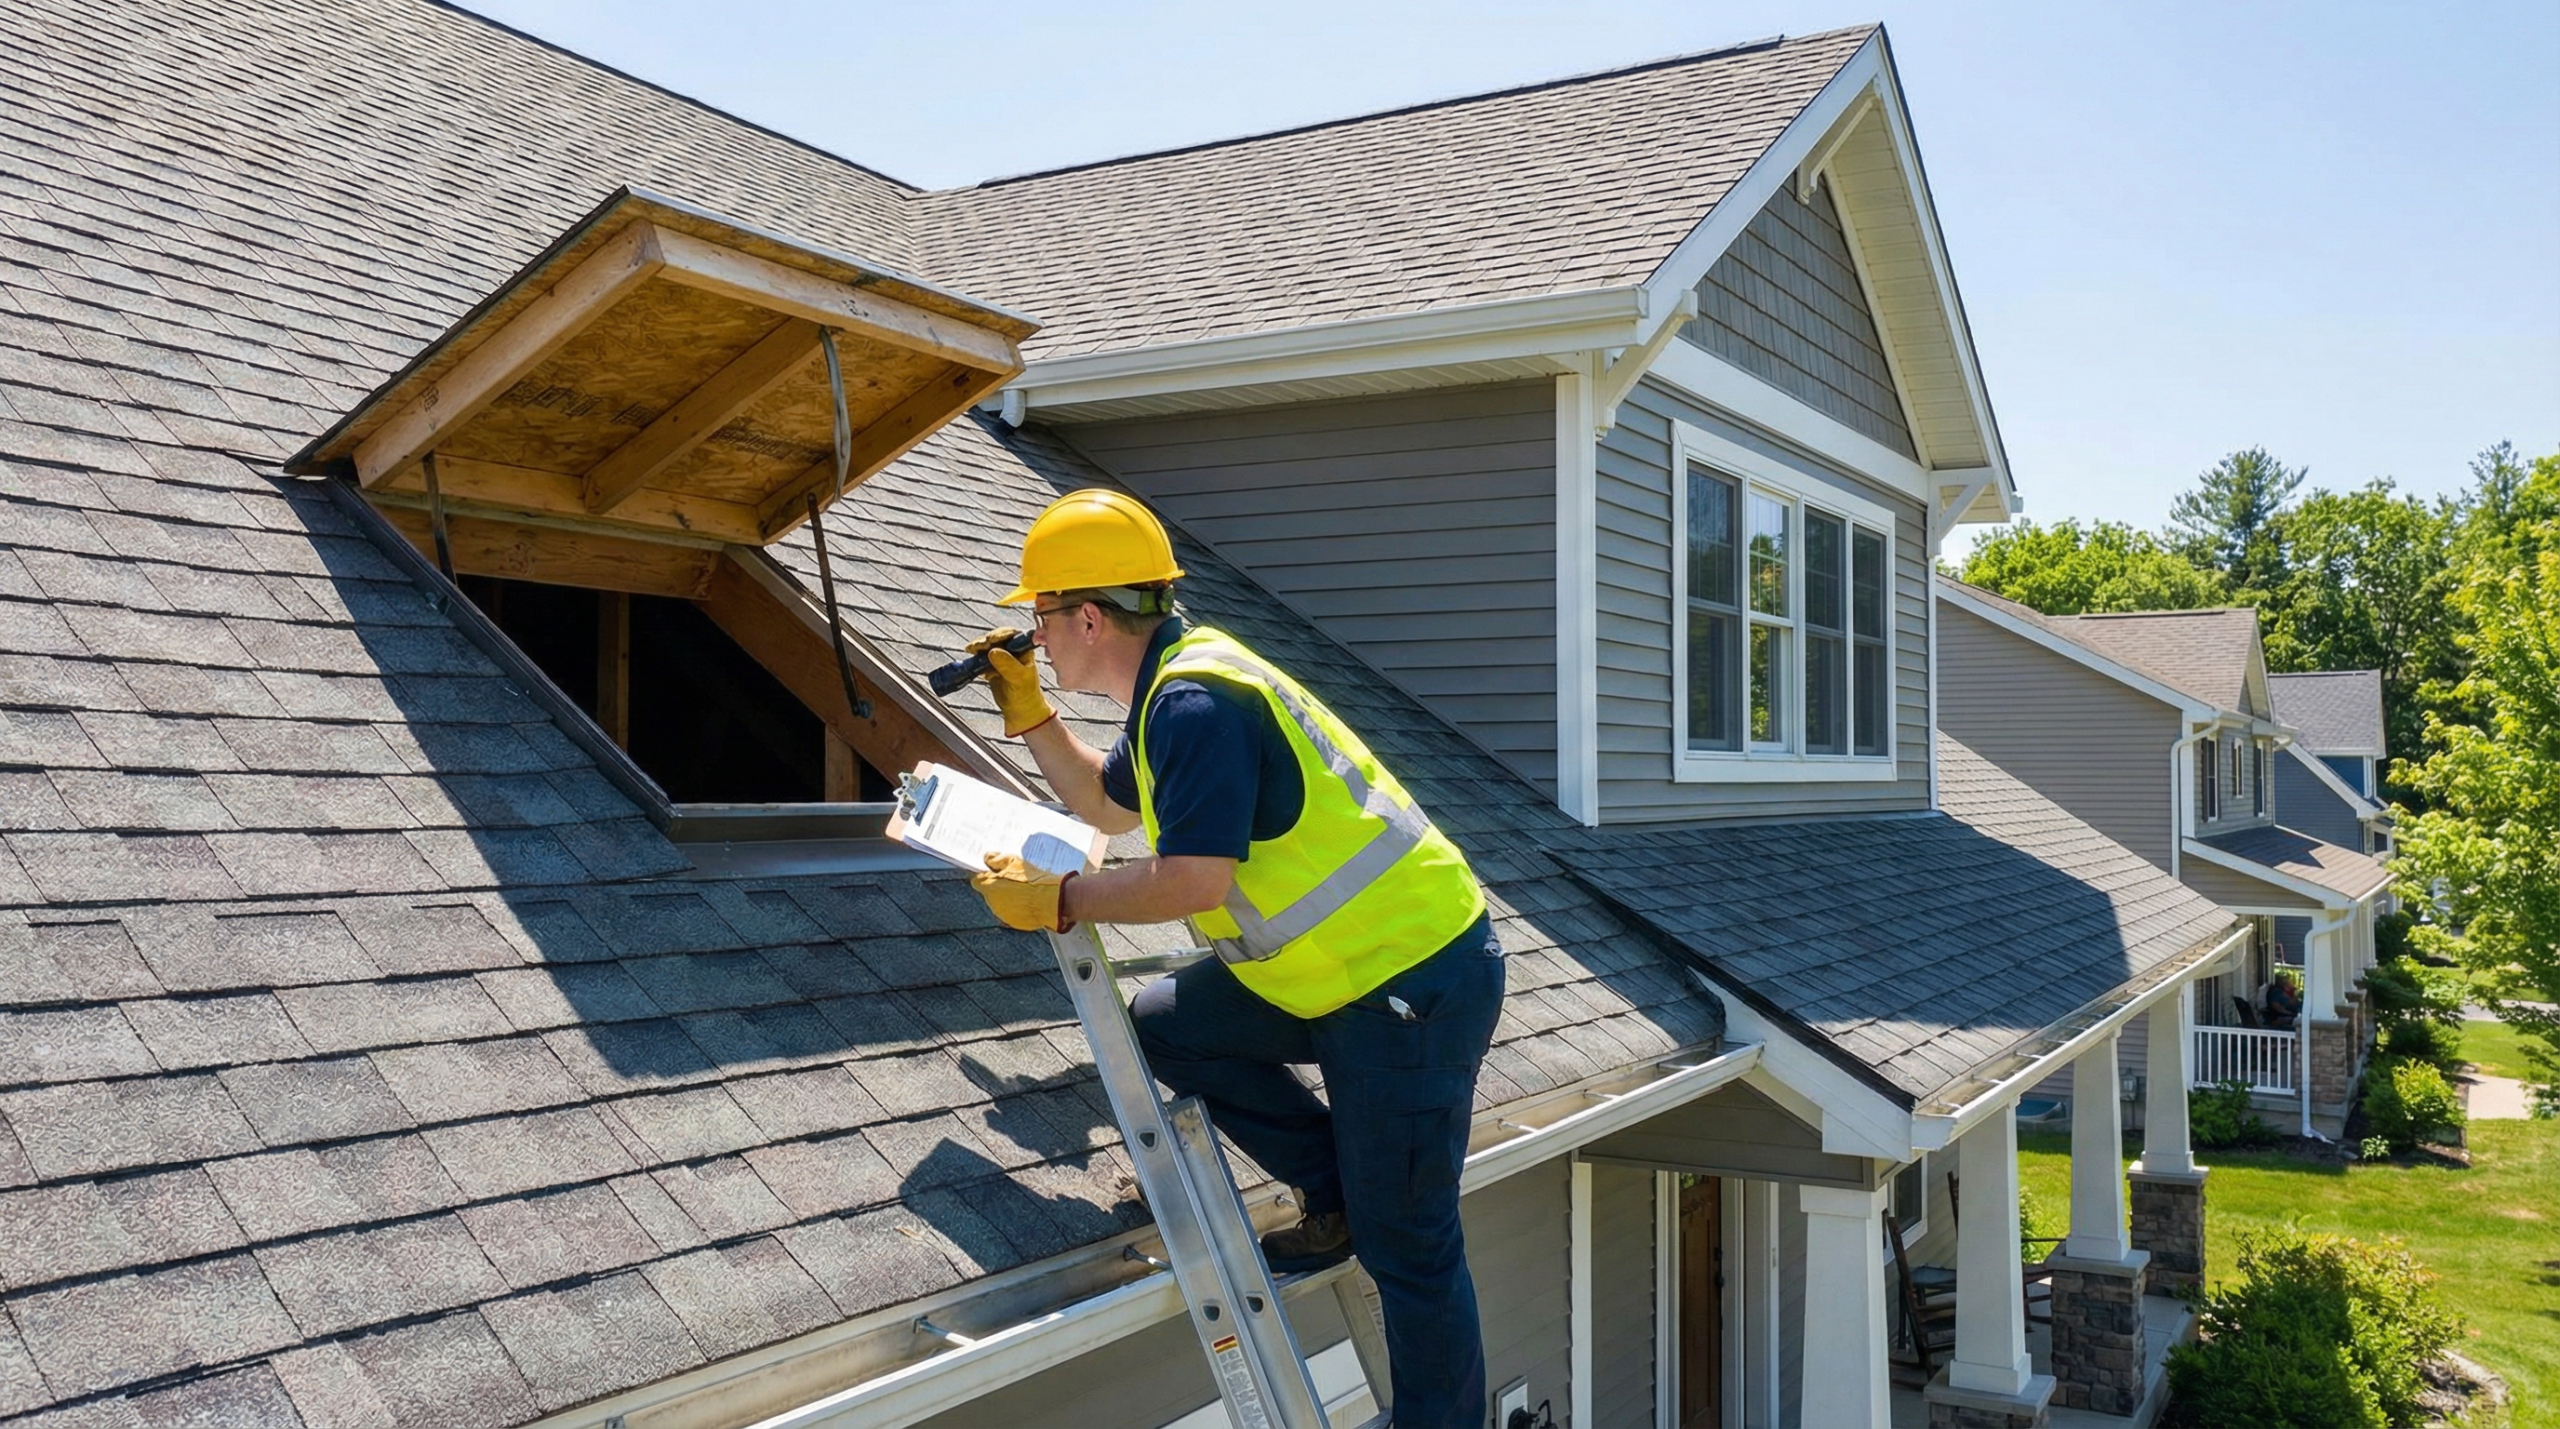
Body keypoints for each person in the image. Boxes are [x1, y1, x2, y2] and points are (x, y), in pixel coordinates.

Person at [962, 489, 1502, 1429]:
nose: (1036, 636)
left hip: (1409, 979)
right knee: (1168, 1025)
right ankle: (1338, 1194)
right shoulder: (1170, 687)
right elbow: (1108, 805)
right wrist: (1032, 714)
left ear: (1089, 617)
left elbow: (1194, 879)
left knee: (1410, 1245)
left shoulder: (1195, 703)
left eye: (1042, 616)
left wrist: (1063, 898)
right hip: (1335, 972)